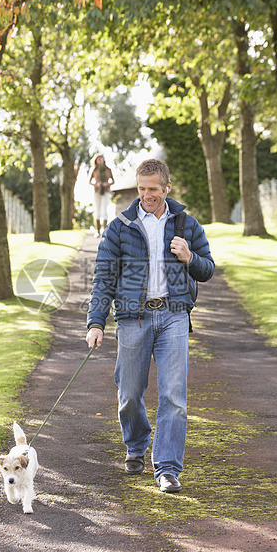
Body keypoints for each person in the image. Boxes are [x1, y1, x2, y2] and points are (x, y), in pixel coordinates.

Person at [85, 158, 214, 493]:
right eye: (142, 189)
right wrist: (96, 322)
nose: (146, 196)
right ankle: (136, 445)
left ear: (166, 187)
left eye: (153, 189)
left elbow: (207, 269)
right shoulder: (120, 226)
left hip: (173, 316)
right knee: (128, 395)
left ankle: (168, 468)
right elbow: (103, 278)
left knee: (174, 395)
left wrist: (190, 257)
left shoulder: (187, 225)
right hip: (132, 318)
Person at [88, 153, 115, 237]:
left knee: (104, 211)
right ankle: (97, 231)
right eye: (98, 159)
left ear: (103, 159)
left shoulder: (108, 169)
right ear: (96, 161)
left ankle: (104, 230)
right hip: (96, 192)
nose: (100, 160)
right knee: (97, 211)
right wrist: (97, 184)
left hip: (106, 191)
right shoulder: (94, 170)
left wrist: (106, 184)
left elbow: (113, 181)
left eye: (101, 158)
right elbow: (89, 181)